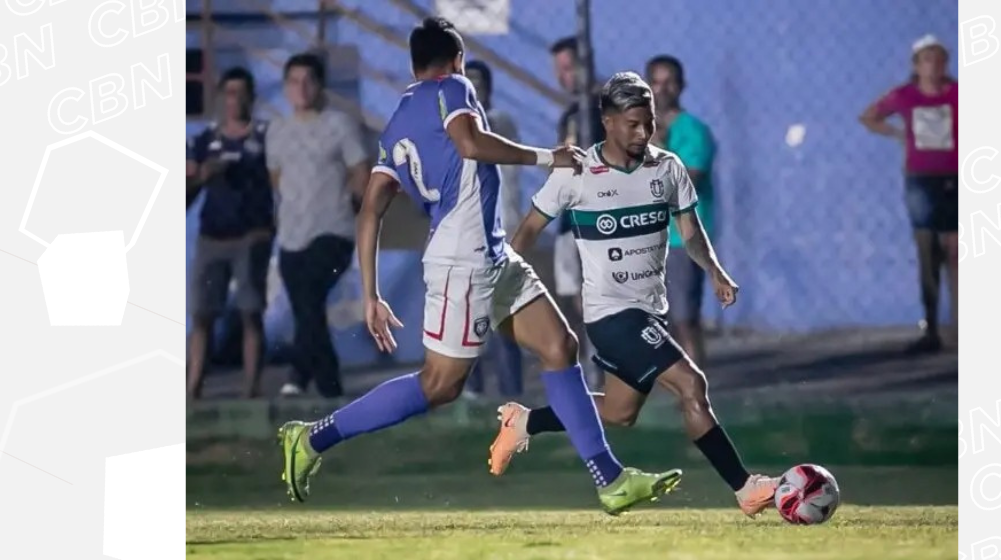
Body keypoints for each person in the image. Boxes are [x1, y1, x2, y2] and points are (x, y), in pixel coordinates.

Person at [275, 18, 681, 516]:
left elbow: (370, 208)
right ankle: (313, 439)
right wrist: (545, 157)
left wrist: (370, 292)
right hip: (462, 259)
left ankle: (610, 479)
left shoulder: (398, 119)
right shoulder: (453, 86)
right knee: (439, 386)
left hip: (490, 253)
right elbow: (469, 144)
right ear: (456, 60)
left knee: (559, 346)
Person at [488, 72, 781, 517]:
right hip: (610, 316)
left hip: (650, 312)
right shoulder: (577, 175)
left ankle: (525, 421)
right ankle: (746, 488)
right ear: (607, 121)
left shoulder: (667, 168)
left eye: (649, 123)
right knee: (691, 385)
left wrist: (716, 271)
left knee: (620, 411)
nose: (643, 133)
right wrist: (499, 279)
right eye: (633, 124)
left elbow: (690, 230)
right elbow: (528, 229)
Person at [267, 52, 372, 397]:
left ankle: (326, 388)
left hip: (333, 231)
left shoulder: (338, 125)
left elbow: (361, 173)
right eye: (295, 81)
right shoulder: (277, 130)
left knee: (310, 301)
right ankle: (302, 374)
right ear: (285, 88)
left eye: (309, 80)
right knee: (305, 309)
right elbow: (277, 178)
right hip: (292, 235)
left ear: (320, 85)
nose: (302, 88)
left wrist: (357, 210)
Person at [859, 34, 958, 353]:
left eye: (939, 59)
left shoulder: (958, 94)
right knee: (928, 251)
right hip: (921, 179)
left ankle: (960, 329)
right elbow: (869, 116)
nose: (934, 66)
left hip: (956, 177)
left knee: (957, 253)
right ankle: (931, 328)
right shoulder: (905, 95)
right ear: (916, 65)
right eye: (927, 60)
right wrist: (899, 135)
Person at [185, 67, 274, 400]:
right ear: (221, 97)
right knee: (202, 315)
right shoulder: (203, 141)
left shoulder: (266, 136)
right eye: (229, 93)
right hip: (212, 238)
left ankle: (251, 389)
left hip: (252, 235)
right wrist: (203, 176)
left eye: (241, 92)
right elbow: (184, 195)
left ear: (251, 97)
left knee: (251, 312)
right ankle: (193, 389)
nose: (235, 100)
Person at [646, 55, 717, 367]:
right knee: (656, 324)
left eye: (669, 82)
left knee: (684, 318)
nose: (662, 90)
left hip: (682, 238)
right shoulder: (636, 131)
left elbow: (690, 178)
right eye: (656, 82)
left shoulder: (694, 131)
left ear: (682, 86)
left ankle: (698, 393)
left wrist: (660, 147)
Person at [462, 59, 524, 399]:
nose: (473, 88)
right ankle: (471, 392)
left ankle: (510, 394)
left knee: (502, 318)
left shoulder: (499, 122)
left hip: (499, 232)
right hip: (465, 235)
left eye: (478, 83)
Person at [550, 36, 608, 388]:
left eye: (569, 67)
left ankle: (606, 362)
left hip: (598, 216)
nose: (564, 76)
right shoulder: (571, 113)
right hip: (567, 217)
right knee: (574, 292)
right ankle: (593, 362)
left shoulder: (607, 108)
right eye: (559, 71)